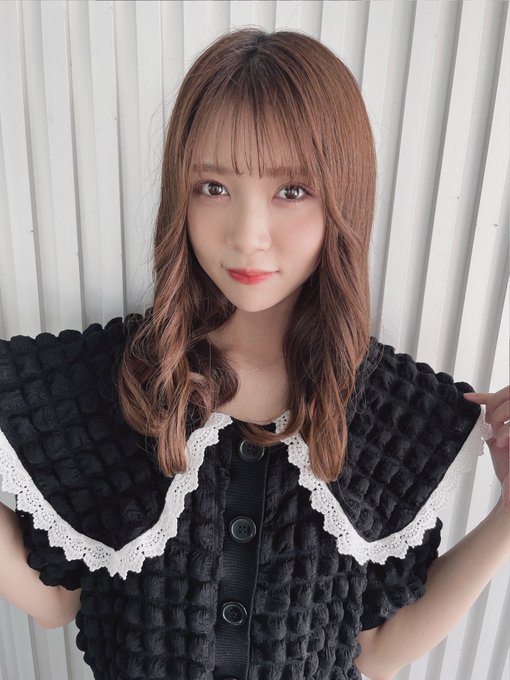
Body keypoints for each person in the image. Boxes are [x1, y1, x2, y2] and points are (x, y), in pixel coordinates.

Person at [0, 27, 508, 680]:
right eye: (213, 187)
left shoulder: (395, 416)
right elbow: (55, 602)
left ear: (343, 198)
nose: (247, 236)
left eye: (291, 191)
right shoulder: (111, 382)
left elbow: (377, 652)